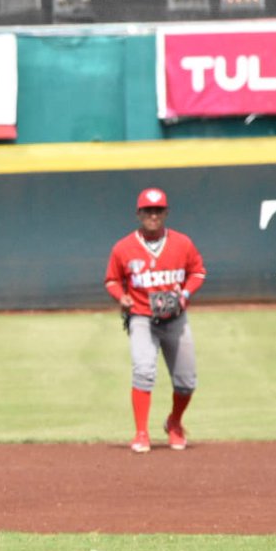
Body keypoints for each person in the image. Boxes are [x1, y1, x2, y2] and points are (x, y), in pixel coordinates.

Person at [104, 187, 207, 453]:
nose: (153, 215)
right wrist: (121, 297)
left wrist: (184, 294)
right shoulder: (123, 248)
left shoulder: (182, 243)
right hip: (141, 318)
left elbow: (198, 272)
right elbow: (112, 279)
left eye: (158, 210)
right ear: (138, 213)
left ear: (166, 212)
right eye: (148, 210)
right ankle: (141, 433)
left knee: (186, 381)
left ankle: (174, 423)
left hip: (176, 319)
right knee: (143, 371)